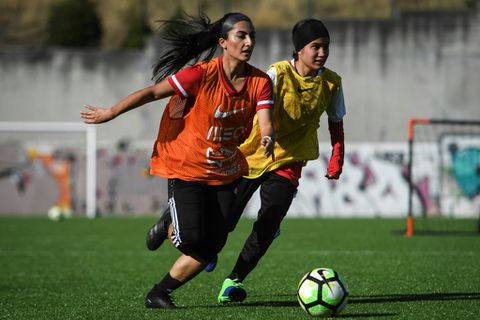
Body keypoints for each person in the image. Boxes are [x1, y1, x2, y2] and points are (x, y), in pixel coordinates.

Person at [81, 12, 275, 309]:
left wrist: (268, 136)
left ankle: (159, 293)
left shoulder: (260, 81)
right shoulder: (202, 74)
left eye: (252, 36)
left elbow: (265, 119)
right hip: (187, 166)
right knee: (192, 240)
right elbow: (152, 92)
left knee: (212, 247)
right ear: (223, 42)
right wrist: (111, 112)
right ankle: (168, 220)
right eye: (241, 35)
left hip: (223, 171)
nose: (249, 42)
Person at [147, 17, 345, 303]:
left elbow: (336, 121)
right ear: (299, 49)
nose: (322, 53)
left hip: (290, 160)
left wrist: (337, 156)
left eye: (326, 47)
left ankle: (234, 280)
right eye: (315, 46)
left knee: (269, 221)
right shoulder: (276, 74)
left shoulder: (332, 83)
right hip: (251, 155)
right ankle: (171, 220)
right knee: (223, 225)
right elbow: (249, 104)